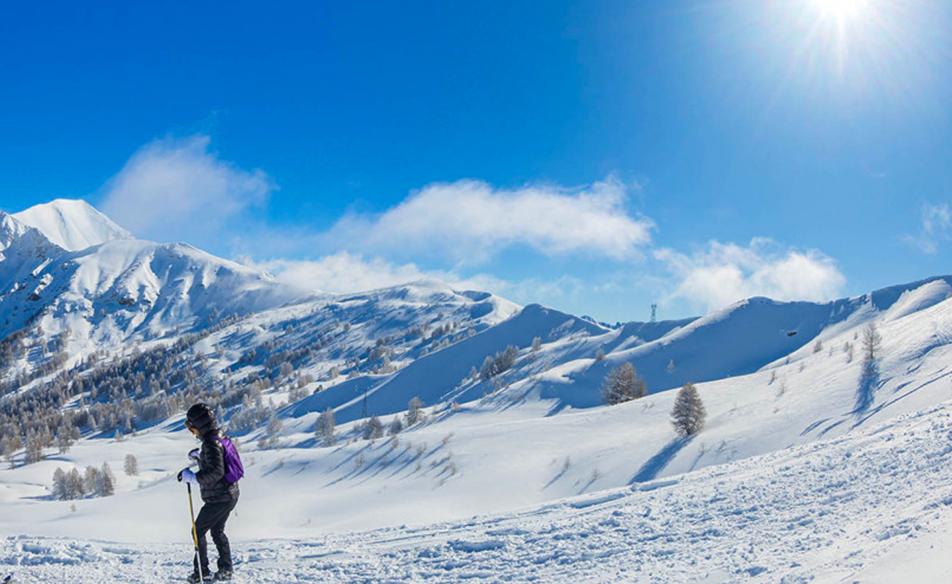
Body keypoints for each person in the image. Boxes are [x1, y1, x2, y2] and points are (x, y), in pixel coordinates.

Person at [178, 403, 240, 583]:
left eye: (192, 427)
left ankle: (201, 572)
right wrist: (200, 457)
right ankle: (226, 569)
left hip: (220, 498)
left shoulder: (211, 443)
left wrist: (193, 477)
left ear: (199, 424)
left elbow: (216, 472)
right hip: (229, 494)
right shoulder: (217, 437)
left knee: (197, 531)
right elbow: (216, 461)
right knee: (216, 530)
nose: (192, 432)